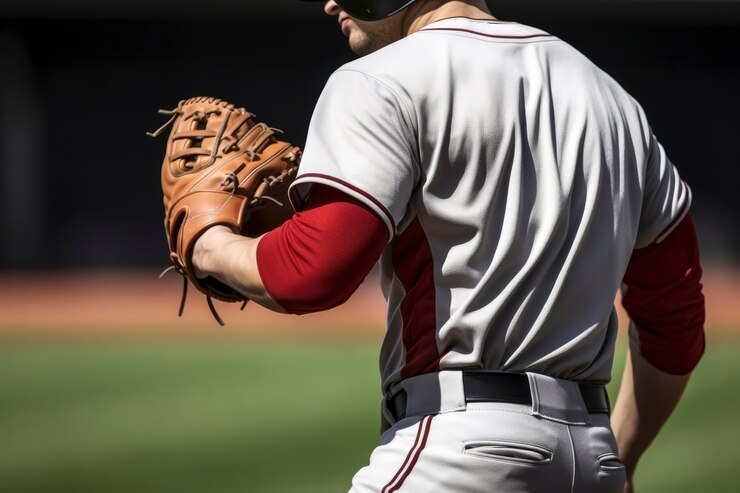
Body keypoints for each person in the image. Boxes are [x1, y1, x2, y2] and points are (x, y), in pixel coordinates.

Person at [191, 1, 706, 491]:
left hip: (460, 448)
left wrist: (209, 245)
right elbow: (675, 319)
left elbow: (311, 272)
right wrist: (624, 459)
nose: (330, 5)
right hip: (592, 457)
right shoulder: (616, 104)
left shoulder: (380, 78)